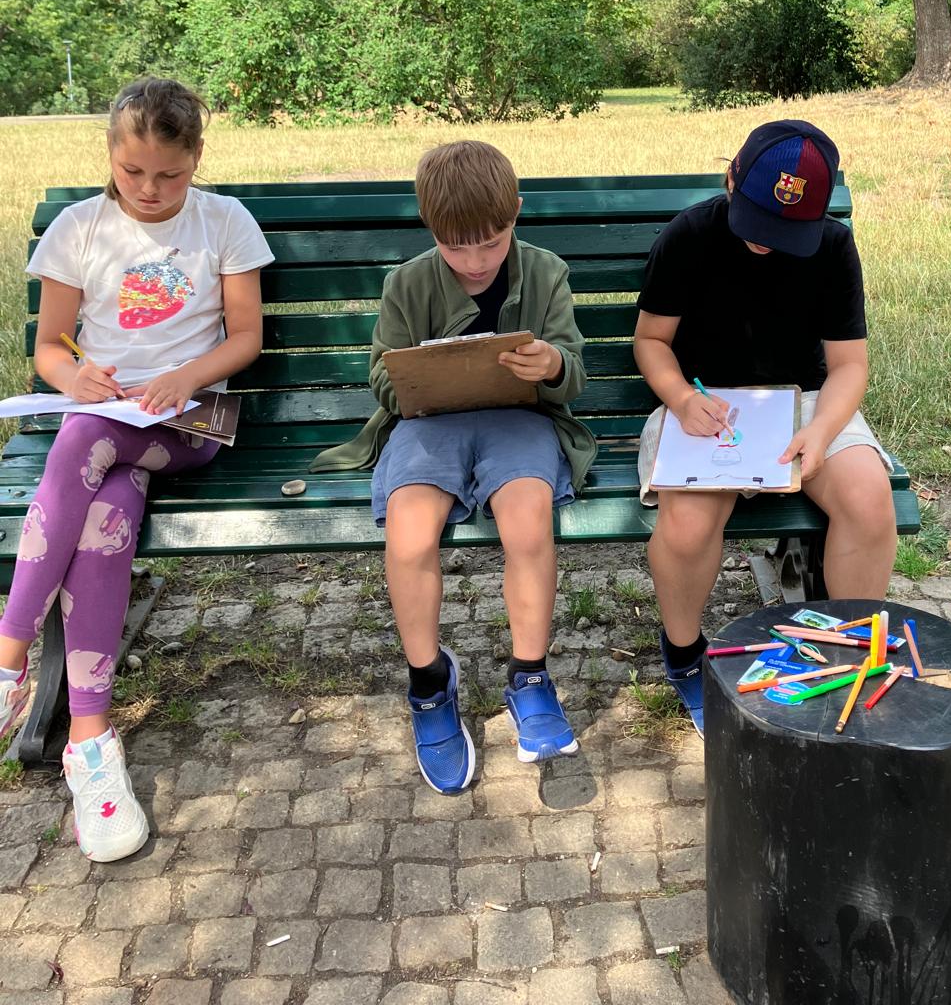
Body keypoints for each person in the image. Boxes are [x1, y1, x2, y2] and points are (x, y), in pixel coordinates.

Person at [0, 78, 272, 860]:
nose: (150, 190)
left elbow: (245, 337)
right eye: (133, 172)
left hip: (189, 422)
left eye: (169, 175)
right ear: (111, 156)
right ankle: (90, 741)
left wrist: (187, 376)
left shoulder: (224, 222)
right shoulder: (80, 228)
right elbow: (49, 348)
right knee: (106, 512)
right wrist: (74, 375)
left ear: (197, 159)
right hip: (105, 427)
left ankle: (9, 655)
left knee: (84, 442)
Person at [312, 140, 595, 794]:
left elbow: (573, 371)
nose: (474, 261)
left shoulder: (545, 272)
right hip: (429, 425)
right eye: (456, 246)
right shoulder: (407, 283)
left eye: (491, 243)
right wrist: (416, 379)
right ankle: (429, 683)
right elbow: (383, 377)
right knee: (410, 536)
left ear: (515, 212)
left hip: (519, 420)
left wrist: (552, 364)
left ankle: (529, 676)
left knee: (527, 523)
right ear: (429, 227)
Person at [632, 119, 896, 734]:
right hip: (702, 401)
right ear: (730, 179)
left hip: (805, 401)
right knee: (689, 522)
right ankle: (684, 653)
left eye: (785, 232)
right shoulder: (690, 235)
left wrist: (823, 430)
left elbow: (849, 366)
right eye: (756, 221)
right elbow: (651, 340)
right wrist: (679, 397)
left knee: (868, 500)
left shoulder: (832, 247)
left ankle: (846, 651)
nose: (764, 241)